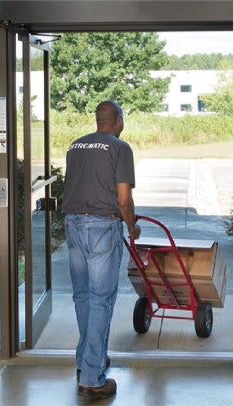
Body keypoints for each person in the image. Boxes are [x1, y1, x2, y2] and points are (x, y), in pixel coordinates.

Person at [62, 100, 141, 401]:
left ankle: (86, 362)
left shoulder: (75, 146)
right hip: (101, 229)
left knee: (83, 297)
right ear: (118, 120)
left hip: (72, 225)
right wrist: (132, 227)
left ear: (98, 120)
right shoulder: (120, 148)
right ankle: (93, 379)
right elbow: (123, 199)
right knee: (100, 301)